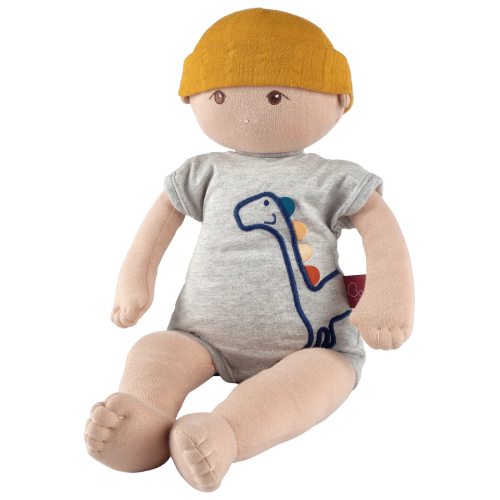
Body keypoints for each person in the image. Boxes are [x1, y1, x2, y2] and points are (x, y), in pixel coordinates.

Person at [84, 8, 414, 492]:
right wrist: (135, 282)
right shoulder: (201, 171)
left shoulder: (336, 177)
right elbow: (153, 234)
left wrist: (388, 301)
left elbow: (384, 236)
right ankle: (141, 424)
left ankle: (225, 434)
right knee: (154, 350)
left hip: (316, 346)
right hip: (198, 336)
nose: (247, 111)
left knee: (318, 382)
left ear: (339, 99)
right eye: (219, 95)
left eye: (276, 96)